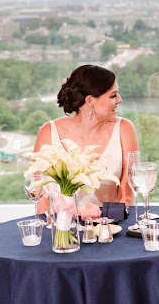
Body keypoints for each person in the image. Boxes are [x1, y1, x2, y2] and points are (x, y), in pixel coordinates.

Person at [35, 64, 139, 211]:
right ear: (90, 101)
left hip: (108, 228)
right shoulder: (48, 132)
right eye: (113, 95)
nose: (119, 100)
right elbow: (40, 198)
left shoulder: (124, 129)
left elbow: (127, 197)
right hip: (60, 230)